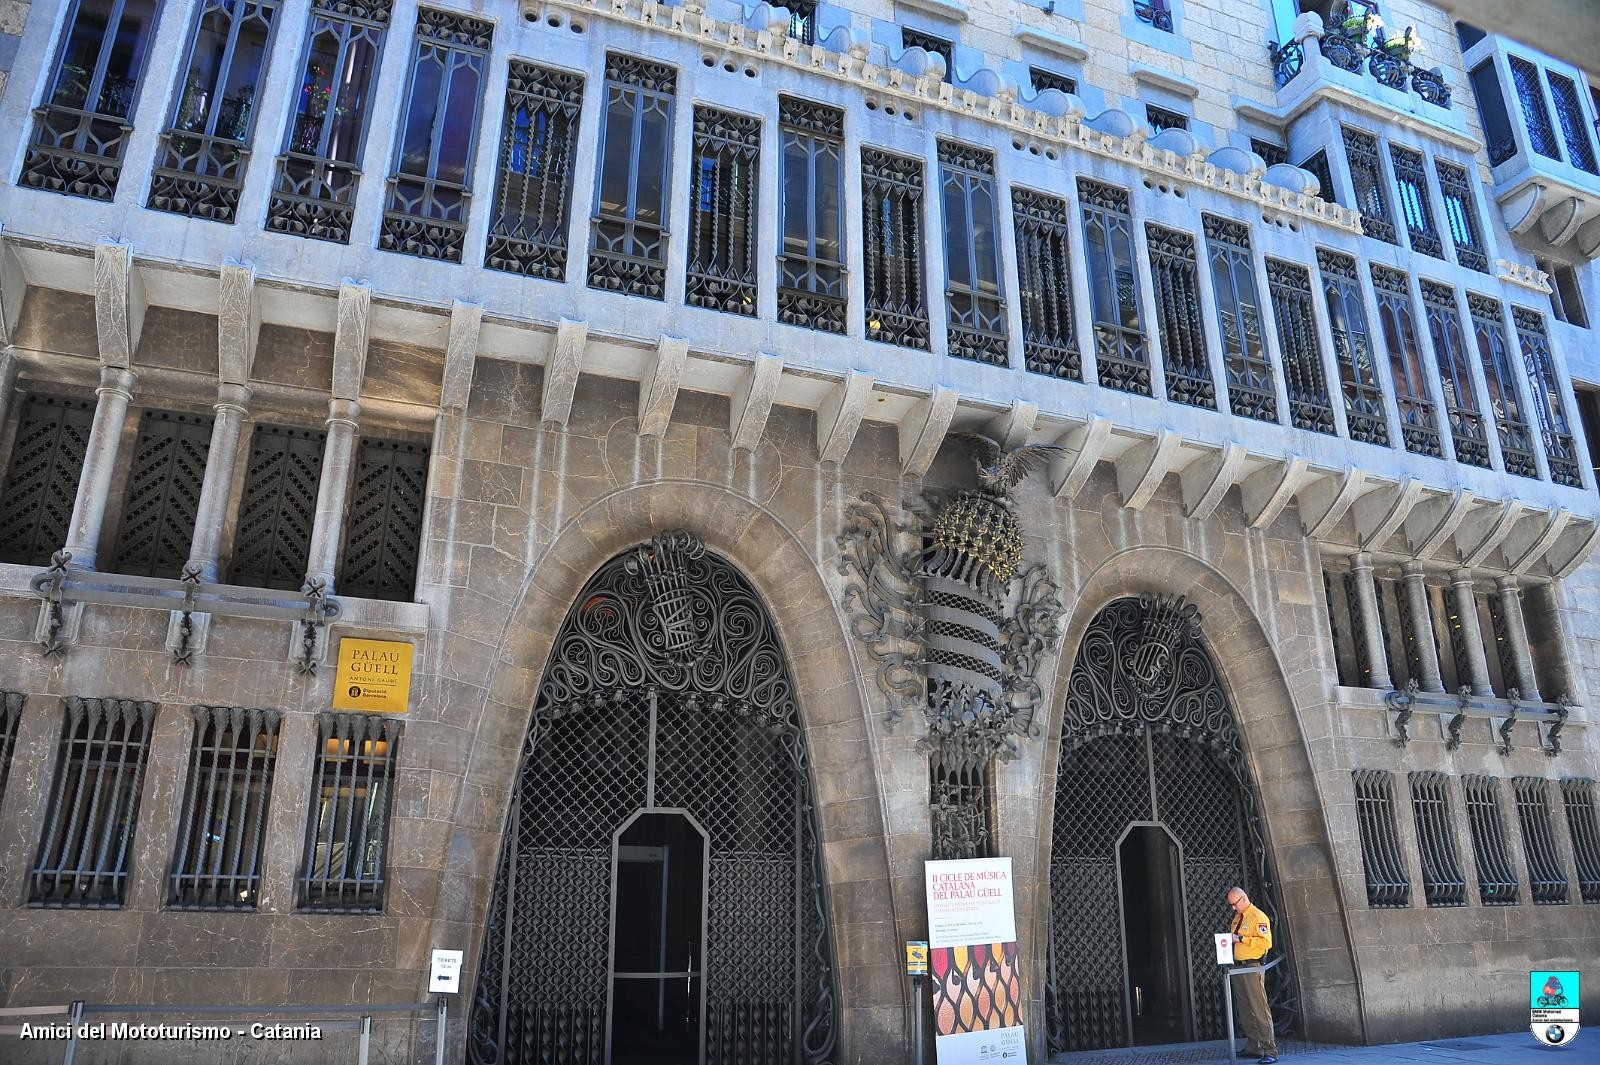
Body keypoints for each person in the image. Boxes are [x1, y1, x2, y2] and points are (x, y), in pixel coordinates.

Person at [1227, 886, 1278, 1064]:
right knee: (1245, 1009)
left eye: (1234, 904)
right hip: (1239, 967)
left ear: (1243, 898)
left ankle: (1270, 1050)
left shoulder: (1258, 917)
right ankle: (1254, 1046)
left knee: (1259, 1009)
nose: (1233, 908)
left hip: (1252, 967)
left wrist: (1241, 939)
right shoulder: (1238, 917)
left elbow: (1266, 942)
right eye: (1231, 905)